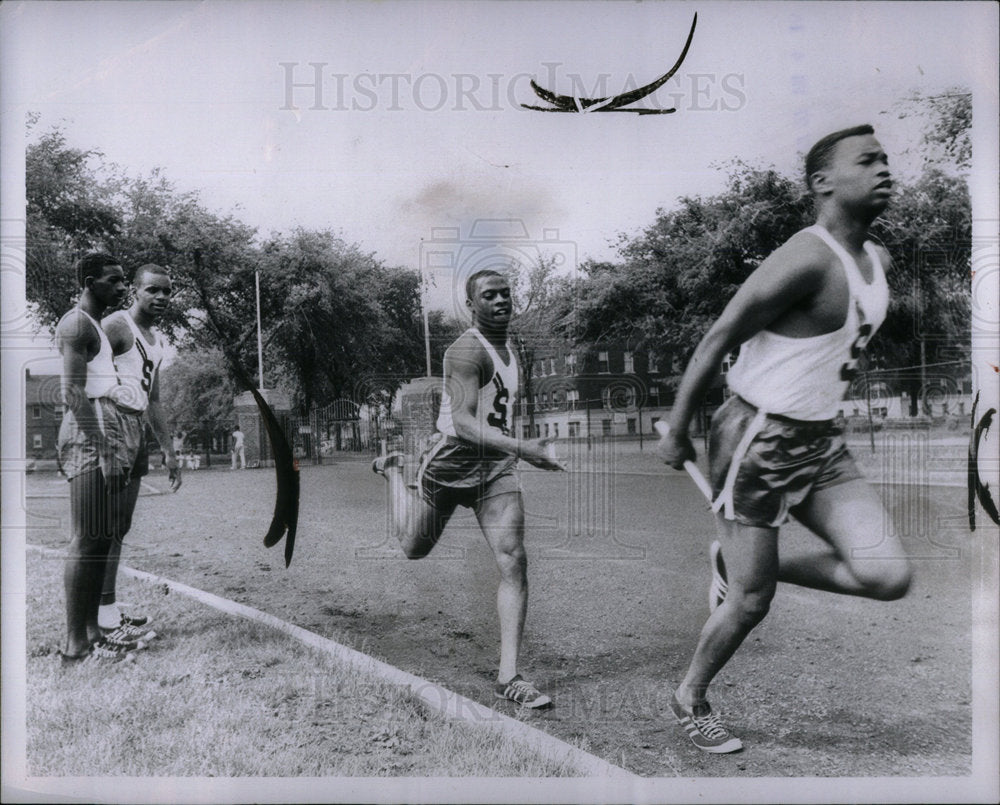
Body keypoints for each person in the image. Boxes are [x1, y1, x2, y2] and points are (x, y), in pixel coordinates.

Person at [657, 125, 913, 753]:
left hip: (822, 442)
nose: (884, 168)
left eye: (886, 158)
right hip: (757, 439)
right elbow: (719, 335)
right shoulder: (804, 256)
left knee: (887, 574)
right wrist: (682, 429)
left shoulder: (877, 260)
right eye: (867, 161)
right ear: (823, 182)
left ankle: (732, 563)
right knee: (749, 603)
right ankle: (690, 694)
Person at [373, 270, 564, 708]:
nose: (501, 301)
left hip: (495, 467)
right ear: (472, 304)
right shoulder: (464, 350)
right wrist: (522, 447)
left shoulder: (509, 348)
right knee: (413, 549)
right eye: (489, 295)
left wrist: (513, 452)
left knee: (514, 558)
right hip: (451, 462)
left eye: (505, 293)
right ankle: (393, 473)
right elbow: (463, 421)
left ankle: (509, 675)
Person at [55, 252, 148, 664]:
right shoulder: (76, 323)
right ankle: (75, 645)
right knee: (87, 537)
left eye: (125, 280)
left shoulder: (95, 325)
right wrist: (102, 448)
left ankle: (94, 633)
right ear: (91, 282)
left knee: (101, 536)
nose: (123, 287)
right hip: (87, 433)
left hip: (105, 428)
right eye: (114, 281)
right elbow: (72, 393)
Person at [98, 263, 181, 640]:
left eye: (166, 291)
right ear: (135, 290)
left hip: (137, 429)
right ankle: (98, 616)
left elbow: (155, 399)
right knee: (102, 525)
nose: (161, 297)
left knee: (121, 525)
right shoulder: (117, 324)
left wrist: (169, 449)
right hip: (112, 425)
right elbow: (86, 373)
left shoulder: (158, 339)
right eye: (153, 290)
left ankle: (108, 609)